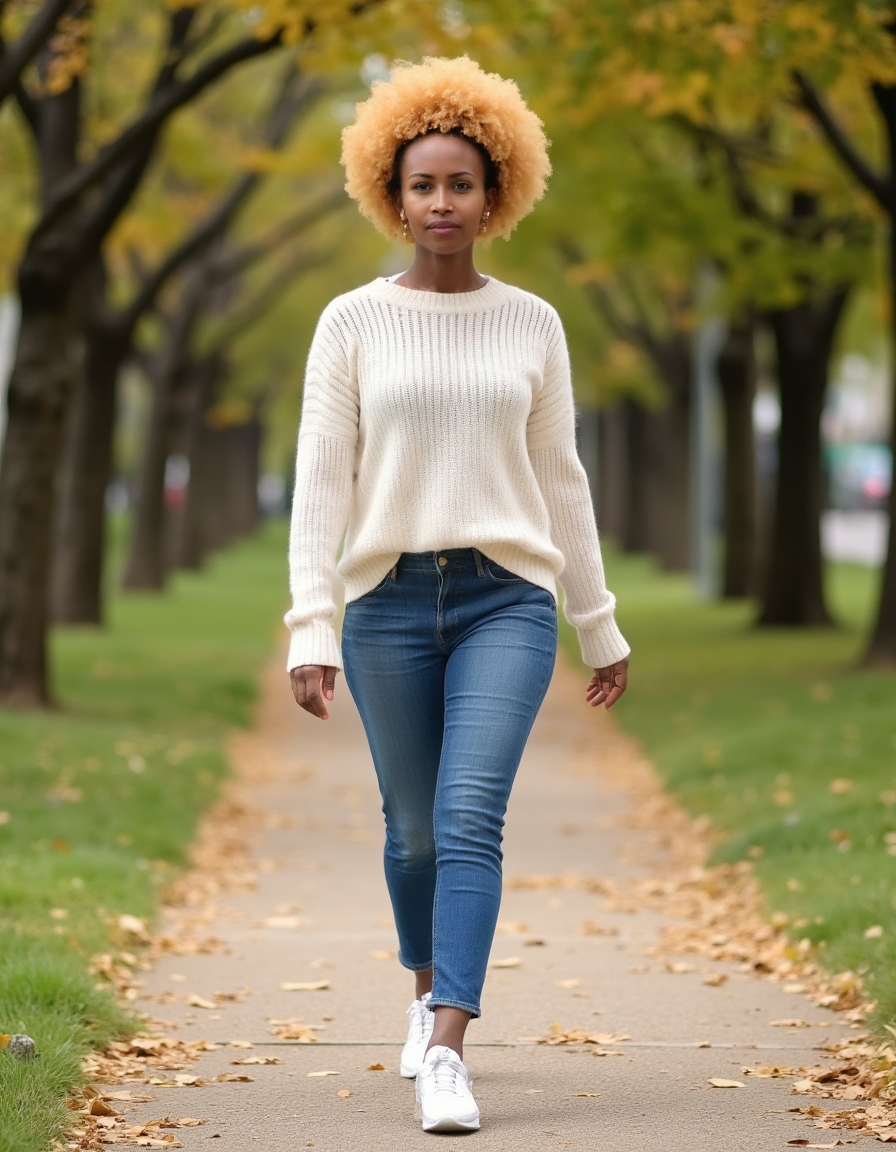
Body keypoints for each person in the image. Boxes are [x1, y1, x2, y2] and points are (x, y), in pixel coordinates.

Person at [285, 55, 630, 1134]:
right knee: (412, 834)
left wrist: (594, 618)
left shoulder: (532, 323)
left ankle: (447, 1042)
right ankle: (422, 975)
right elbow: (319, 482)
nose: (441, 202)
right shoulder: (348, 323)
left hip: (505, 602)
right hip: (386, 600)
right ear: (391, 197)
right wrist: (312, 623)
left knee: (468, 814)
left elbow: (559, 478)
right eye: (422, 184)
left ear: (497, 196)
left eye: (461, 184)